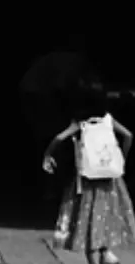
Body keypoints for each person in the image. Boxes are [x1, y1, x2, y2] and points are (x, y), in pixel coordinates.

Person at [42, 78, 135, 264]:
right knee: (101, 219)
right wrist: (120, 157)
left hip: (86, 182)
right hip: (109, 181)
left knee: (87, 224)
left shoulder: (80, 123)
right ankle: (107, 255)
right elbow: (129, 136)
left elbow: (59, 139)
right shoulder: (108, 120)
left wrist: (48, 156)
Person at [19, 32, 95, 192]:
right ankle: (52, 184)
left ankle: (49, 182)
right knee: (54, 140)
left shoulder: (54, 59)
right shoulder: (70, 61)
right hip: (43, 100)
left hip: (36, 98)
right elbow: (63, 86)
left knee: (47, 140)